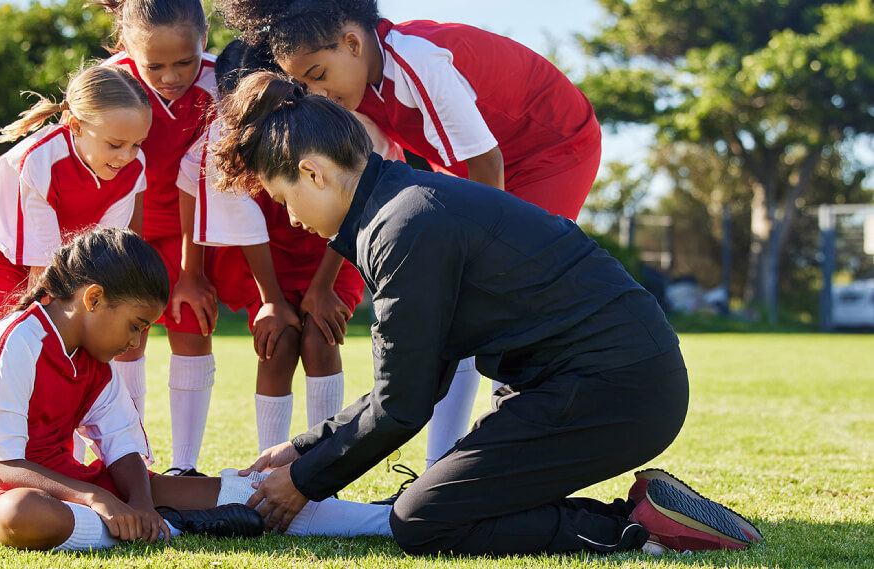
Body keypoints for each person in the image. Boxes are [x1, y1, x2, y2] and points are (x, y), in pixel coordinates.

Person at [210, 72, 764, 556]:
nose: (292, 219)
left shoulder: (403, 225)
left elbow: (402, 405)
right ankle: (647, 510)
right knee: (447, 495)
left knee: (421, 519)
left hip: (614, 386)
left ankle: (638, 529)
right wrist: (304, 446)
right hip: (588, 380)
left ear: (313, 173)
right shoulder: (401, 205)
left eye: (283, 200)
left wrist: (303, 482)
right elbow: (412, 383)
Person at [218, 0, 605, 475]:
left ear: (354, 43)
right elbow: (360, 190)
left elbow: (487, 168)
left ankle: (500, 435)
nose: (315, 92)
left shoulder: (418, 60)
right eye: (305, 83)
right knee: (452, 303)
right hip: (478, 163)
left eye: (318, 74)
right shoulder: (357, 90)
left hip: (549, 147)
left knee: (485, 291)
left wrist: (476, 260)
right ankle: (442, 462)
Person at [0, 227, 393, 551]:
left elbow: (120, 444)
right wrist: (102, 500)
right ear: (93, 299)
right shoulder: (16, 343)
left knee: (254, 492)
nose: (136, 343)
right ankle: (178, 529)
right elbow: (5, 469)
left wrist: (137, 502)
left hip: (77, 488)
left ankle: (388, 521)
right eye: (135, 327)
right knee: (22, 515)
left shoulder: (95, 354)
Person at [175, 39, 365, 455]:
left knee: (320, 337)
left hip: (332, 249)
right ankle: (270, 464)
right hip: (260, 257)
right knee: (277, 344)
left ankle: (321, 465)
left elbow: (355, 202)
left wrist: (321, 288)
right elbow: (235, 216)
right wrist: (272, 301)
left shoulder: (330, 122)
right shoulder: (224, 140)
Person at [90, 0, 255, 475]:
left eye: (183, 61)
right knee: (123, 340)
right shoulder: (109, 81)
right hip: (123, 225)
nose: (169, 76)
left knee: (190, 325)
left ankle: (184, 466)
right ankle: (127, 459)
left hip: (196, 228)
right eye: (154, 65)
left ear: (204, 35)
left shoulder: (221, 80)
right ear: (127, 45)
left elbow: (204, 179)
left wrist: (190, 272)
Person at [0, 65, 151, 342]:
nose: (127, 156)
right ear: (75, 126)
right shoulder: (39, 160)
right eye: (115, 144)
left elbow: (101, 248)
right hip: (3, 246)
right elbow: (42, 267)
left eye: (137, 144)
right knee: (12, 331)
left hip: (60, 244)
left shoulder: (134, 167)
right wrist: (46, 339)